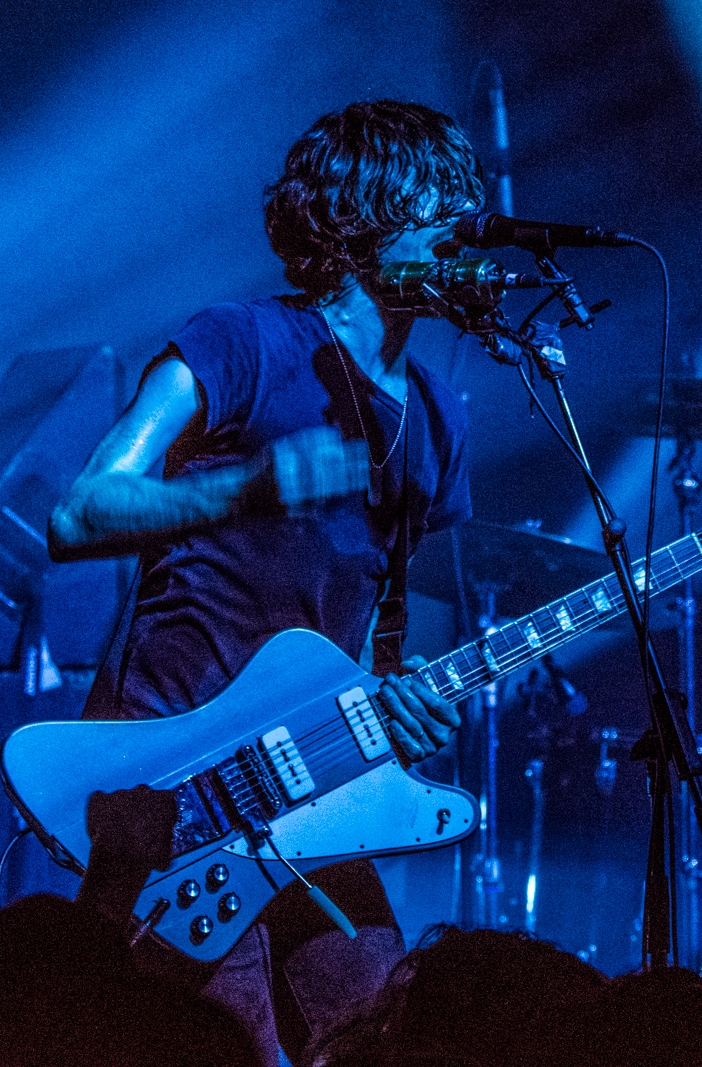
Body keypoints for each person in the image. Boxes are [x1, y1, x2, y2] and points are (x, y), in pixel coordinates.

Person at [47, 99, 480, 1066]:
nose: (464, 226)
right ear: (364, 216)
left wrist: (395, 703)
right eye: (439, 204)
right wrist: (247, 488)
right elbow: (82, 510)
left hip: (310, 782)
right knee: (211, 1041)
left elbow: (368, 625)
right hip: (175, 781)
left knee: (387, 1027)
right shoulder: (240, 341)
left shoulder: (442, 418)